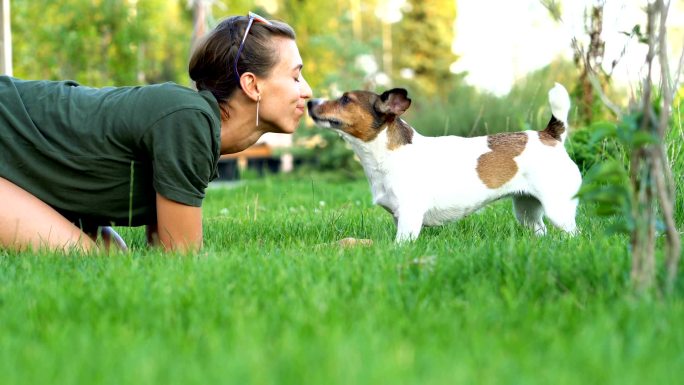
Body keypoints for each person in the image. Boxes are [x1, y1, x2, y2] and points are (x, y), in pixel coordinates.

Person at [0, 12, 312, 253]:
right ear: (252, 85)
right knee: (86, 259)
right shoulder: (189, 120)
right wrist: (317, 248)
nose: (307, 91)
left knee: (114, 256)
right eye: (296, 77)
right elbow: (181, 258)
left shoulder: (193, 125)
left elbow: (160, 248)